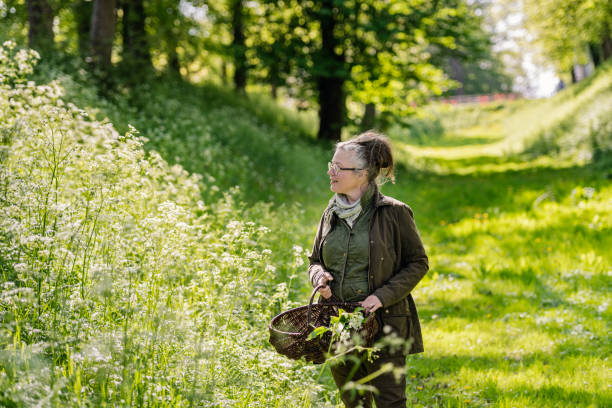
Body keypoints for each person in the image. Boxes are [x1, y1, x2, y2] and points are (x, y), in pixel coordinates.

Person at [308, 131, 429, 407]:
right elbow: (314, 259)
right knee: (354, 401)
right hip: (339, 325)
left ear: (362, 174)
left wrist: (382, 296)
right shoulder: (330, 213)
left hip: (385, 325)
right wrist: (319, 277)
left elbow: (418, 263)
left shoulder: (395, 213)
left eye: (339, 168)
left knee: (389, 402)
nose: (331, 172)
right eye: (331, 165)